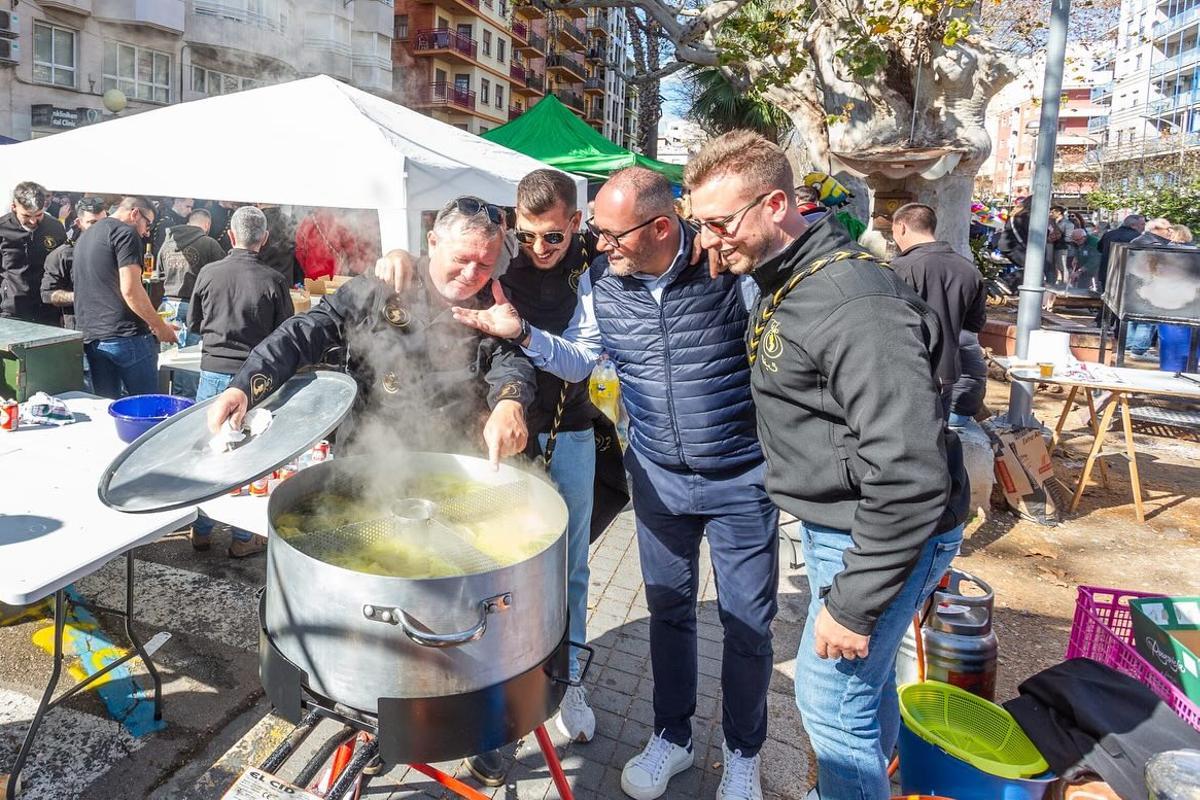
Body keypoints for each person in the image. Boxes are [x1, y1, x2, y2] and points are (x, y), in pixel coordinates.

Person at [453, 167, 779, 800]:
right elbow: (581, 355)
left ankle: (743, 756)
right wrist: (517, 333)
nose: (597, 247)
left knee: (747, 624)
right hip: (657, 475)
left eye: (607, 234)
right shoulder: (606, 281)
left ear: (661, 227)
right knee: (668, 612)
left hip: (741, 477)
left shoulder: (725, 269)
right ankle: (672, 738)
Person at [686, 130, 969, 800]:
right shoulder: (785, 277)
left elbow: (909, 472)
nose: (707, 240)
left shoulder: (854, 303)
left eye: (720, 223)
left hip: (876, 537)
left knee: (830, 707)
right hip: (840, 527)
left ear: (777, 205)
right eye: (700, 223)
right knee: (862, 701)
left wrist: (855, 602)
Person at [205, 193, 533, 480]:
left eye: (484, 264)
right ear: (433, 242)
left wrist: (509, 402)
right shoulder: (385, 283)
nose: (471, 274)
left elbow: (510, 359)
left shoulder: (493, 302)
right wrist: (244, 385)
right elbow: (306, 330)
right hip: (367, 464)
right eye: (462, 259)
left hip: (451, 467)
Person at [498, 170, 598, 743]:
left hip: (572, 431)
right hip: (504, 437)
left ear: (575, 223)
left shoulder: (594, 264)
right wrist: (396, 258)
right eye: (528, 233)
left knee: (573, 565)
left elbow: (583, 359)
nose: (539, 249)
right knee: (505, 559)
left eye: (552, 237)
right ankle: (511, 666)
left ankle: (571, 676)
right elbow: (444, 265)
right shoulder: (503, 258)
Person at [186, 206, 294, 557]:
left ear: (231, 236)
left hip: (212, 374)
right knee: (248, 458)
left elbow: (194, 323)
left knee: (209, 453)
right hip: (254, 382)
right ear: (263, 239)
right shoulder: (274, 280)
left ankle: (200, 529)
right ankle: (242, 539)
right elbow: (285, 336)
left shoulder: (208, 272)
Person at [73, 196, 178, 398]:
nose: (146, 231)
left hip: (93, 337)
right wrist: (159, 326)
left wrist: (153, 322)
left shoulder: (85, 237)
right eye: (147, 223)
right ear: (135, 213)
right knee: (147, 408)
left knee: (107, 408)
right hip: (126, 338)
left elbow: (105, 290)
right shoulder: (125, 232)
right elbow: (131, 290)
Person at [890, 203, 987, 416]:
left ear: (902, 227)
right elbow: (974, 324)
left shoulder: (900, 268)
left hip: (907, 371)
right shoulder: (968, 269)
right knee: (938, 439)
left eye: (893, 232)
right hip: (947, 371)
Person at [0, 181, 68, 325]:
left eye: (38, 215)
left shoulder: (55, 227)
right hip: (12, 309)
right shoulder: (2, 229)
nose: (33, 221)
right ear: (14, 207)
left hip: (48, 308)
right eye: (26, 215)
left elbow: (64, 268)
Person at [158, 207, 226, 342]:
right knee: (190, 356)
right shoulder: (209, 243)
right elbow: (223, 274)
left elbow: (160, 274)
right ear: (207, 225)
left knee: (169, 354)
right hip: (194, 306)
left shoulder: (167, 243)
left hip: (168, 305)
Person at [41, 197, 108, 329]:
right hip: (81, 327)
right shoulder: (63, 255)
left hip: (113, 325)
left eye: (103, 222)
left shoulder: (117, 249)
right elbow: (47, 294)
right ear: (79, 223)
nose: (99, 228)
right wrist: (79, 296)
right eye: (92, 222)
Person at [1097, 213, 1144, 293]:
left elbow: (1099, 249)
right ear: (1133, 225)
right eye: (1142, 224)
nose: (1144, 227)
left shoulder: (1108, 234)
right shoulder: (1139, 238)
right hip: (1127, 278)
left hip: (1107, 275)